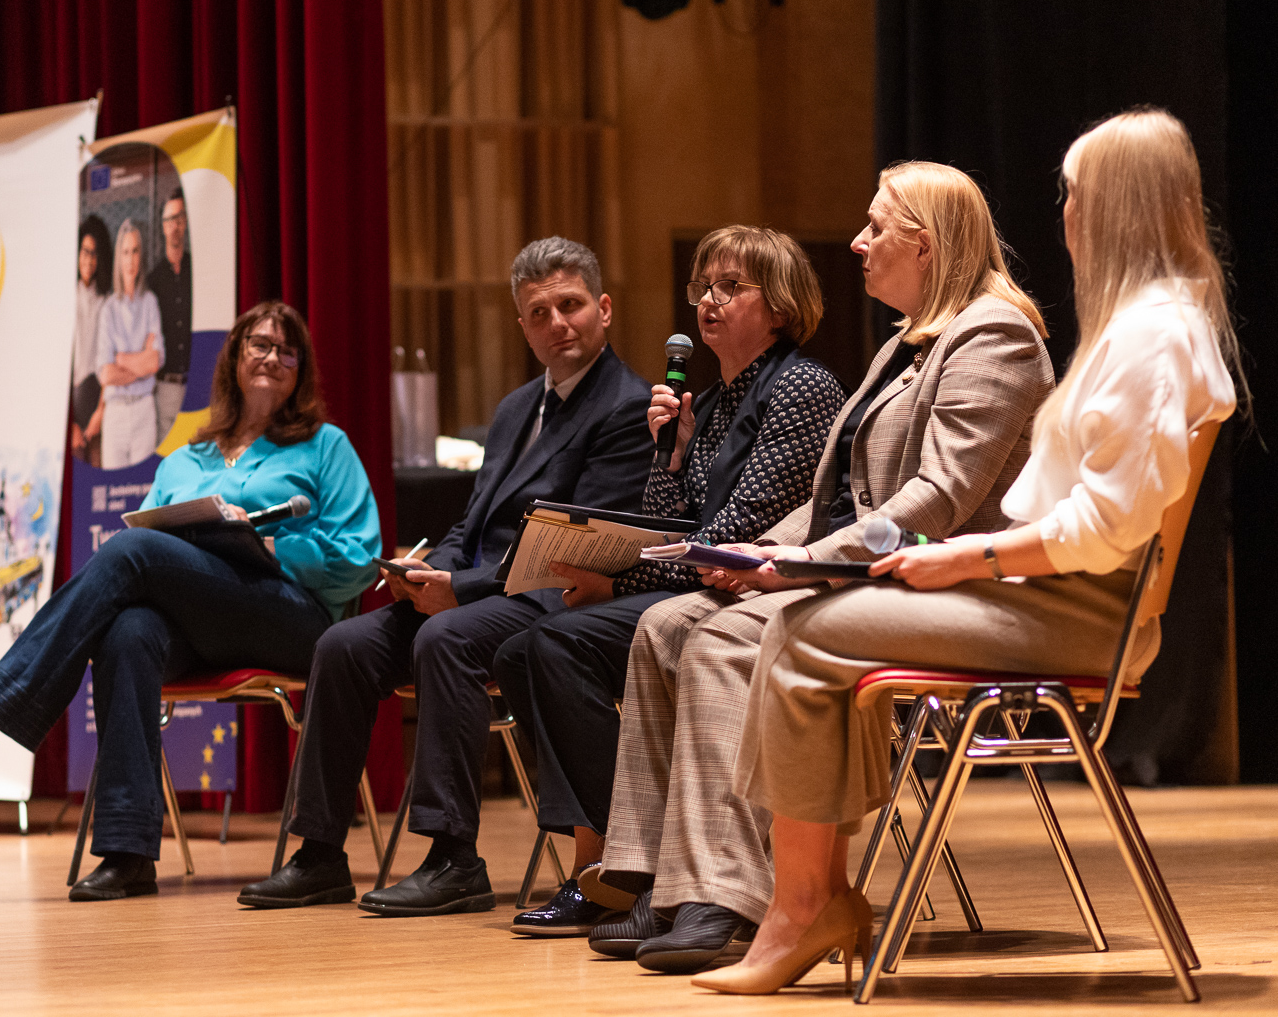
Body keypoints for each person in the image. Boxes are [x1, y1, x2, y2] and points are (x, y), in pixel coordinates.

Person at [694, 109, 1238, 995]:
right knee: (809, 621)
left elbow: (1107, 528)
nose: (1064, 211)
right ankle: (811, 897)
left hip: (1080, 611)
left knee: (799, 628)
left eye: (1076, 193)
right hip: (1057, 594)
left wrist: (965, 561)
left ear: (1116, 209)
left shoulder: (1155, 336)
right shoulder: (1147, 325)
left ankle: (803, 907)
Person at [594, 161, 1056, 974]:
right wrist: (768, 549)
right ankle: (661, 882)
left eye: (877, 227)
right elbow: (842, 492)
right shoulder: (908, 344)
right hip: (871, 571)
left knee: (721, 641)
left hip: (953, 586)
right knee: (664, 626)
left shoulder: (995, 334)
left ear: (928, 242)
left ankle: (730, 894)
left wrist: (802, 564)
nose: (858, 241)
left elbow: (933, 502)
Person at [0, 302, 382, 902]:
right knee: (128, 632)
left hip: (288, 616)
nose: (274, 358)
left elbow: (361, 555)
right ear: (233, 357)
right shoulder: (185, 460)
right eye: (260, 344)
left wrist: (281, 548)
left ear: (301, 370)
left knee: (131, 553)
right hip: (199, 619)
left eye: (288, 351)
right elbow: (155, 539)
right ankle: (128, 851)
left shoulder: (325, 447)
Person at [239, 237, 654, 916]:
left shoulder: (626, 407)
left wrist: (459, 589)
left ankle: (453, 856)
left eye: (571, 305)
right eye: (539, 312)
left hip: (550, 598)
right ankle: (318, 853)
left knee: (448, 639)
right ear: (522, 326)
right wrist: (427, 568)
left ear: (603, 310)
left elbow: (578, 541)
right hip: (475, 588)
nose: (558, 323)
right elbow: (474, 522)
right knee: (341, 647)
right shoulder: (517, 407)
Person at [491, 226, 845, 938]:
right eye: (703, 288)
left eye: (730, 287)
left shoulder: (803, 386)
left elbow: (740, 529)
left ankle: (637, 868)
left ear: (777, 305)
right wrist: (672, 455)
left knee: (554, 645)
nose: (707, 302)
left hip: (756, 592)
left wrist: (614, 588)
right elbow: (665, 526)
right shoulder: (710, 404)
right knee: (521, 650)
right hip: (696, 589)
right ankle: (627, 864)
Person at [96, 218, 163, 469]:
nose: (131, 259)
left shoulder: (150, 303)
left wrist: (121, 359)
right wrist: (140, 362)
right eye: (125, 252)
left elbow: (154, 361)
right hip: (115, 414)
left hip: (144, 410)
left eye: (135, 251)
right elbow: (105, 374)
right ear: (118, 258)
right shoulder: (108, 309)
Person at [146, 187, 192, 445]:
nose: (174, 226)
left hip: (198, 383)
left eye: (179, 218)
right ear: (162, 226)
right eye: (169, 220)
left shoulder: (198, 273)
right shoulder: (152, 280)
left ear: (185, 223)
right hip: (166, 389)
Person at [71, 215, 111, 464]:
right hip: (72, 406)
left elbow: (108, 359)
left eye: (94, 254)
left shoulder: (106, 301)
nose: (88, 260)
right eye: (84, 252)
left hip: (98, 401)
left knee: (97, 471)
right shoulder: (65, 297)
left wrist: (100, 413)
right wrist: (70, 425)